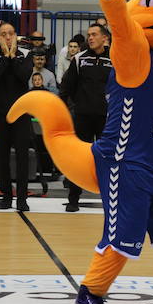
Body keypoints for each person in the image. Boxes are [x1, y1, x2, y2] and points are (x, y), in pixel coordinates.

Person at [59, 24, 113, 211]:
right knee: (79, 159)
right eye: (88, 35)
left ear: (104, 38)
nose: (90, 38)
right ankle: (73, 199)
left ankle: (110, 199)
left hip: (108, 118)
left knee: (108, 159)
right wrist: (70, 107)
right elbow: (66, 87)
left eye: (94, 35)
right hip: (82, 117)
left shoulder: (116, 58)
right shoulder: (79, 59)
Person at [0, 22, 33, 211]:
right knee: (2, 155)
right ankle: (6, 195)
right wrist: (6, 57)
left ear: (16, 35)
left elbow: (24, 76)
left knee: (22, 156)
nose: (7, 37)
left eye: (10, 33)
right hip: (0, 112)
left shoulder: (26, 54)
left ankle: (22, 198)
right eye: (3, 34)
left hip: (21, 111)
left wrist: (14, 57)